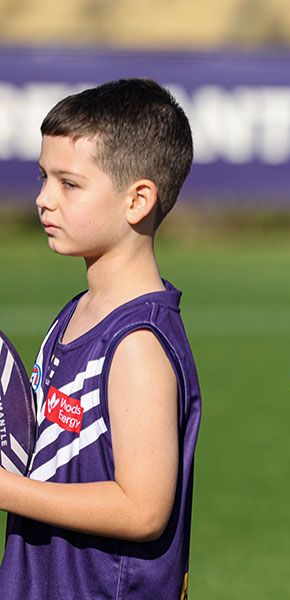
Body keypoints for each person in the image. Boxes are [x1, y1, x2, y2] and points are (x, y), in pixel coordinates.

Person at [0, 78, 201, 599]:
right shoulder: (77, 313)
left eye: (69, 183)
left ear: (137, 200)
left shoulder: (136, 344)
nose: (43, 199)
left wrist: (6, 490)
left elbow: (143, 510)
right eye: (43, 177)